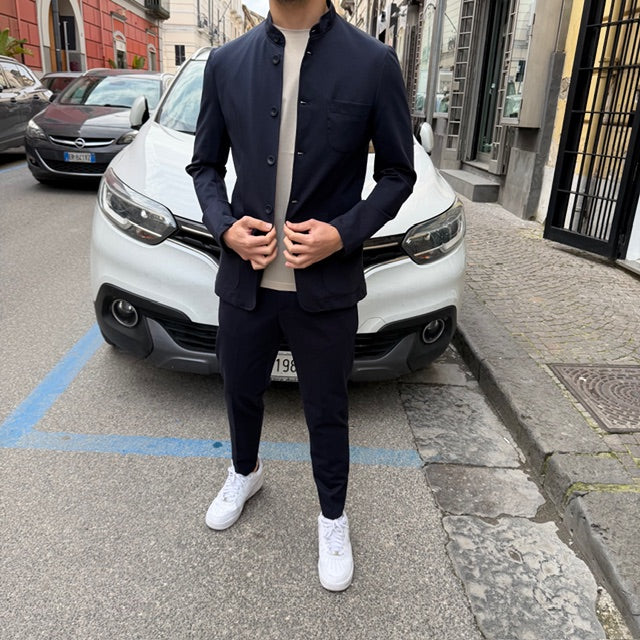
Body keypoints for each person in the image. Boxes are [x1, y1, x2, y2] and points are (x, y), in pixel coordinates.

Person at [186, 0, 416, 591]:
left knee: (326, 407)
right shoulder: (227, 63)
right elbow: (205, 166)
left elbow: (398, 174)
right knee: (239, 388)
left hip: (325, 285)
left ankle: (333, 516)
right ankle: (244, 471)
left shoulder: (373, 62)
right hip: (247, 279)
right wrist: (224, 227)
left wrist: (342, 233)